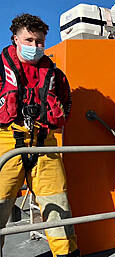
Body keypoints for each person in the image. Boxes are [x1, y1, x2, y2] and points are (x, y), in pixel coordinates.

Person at [0, 14, 79, 256]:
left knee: (59, 208)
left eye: (40, 41)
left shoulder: (56, 75)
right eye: (29, 40)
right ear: (15, 39)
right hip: (7, 141)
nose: (35, 47)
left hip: (45, 144)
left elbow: (66, 104)